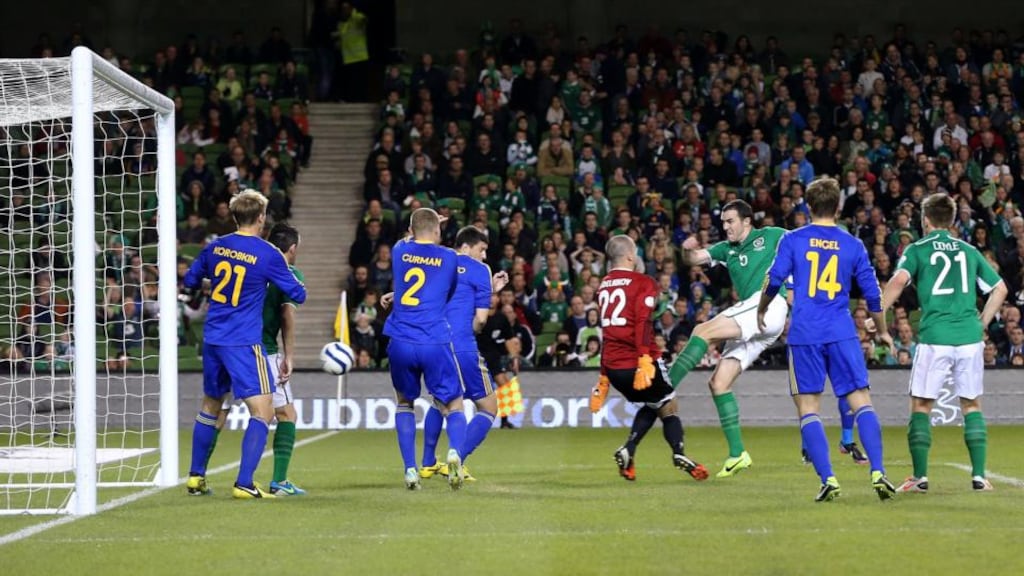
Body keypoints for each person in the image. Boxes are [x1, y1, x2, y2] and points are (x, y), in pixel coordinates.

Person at [757, 177, 896, 502]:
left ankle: (829, 479)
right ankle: (878, 471)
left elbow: (774, 278)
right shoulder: (853, 245)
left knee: (808, 407)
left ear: (807, 207)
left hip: (805, 333)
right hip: (841, 332)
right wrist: (883, 329)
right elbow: (873, 295)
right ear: (838, 207)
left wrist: (762, 308)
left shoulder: (792, 239)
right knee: (861, 400)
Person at [880, 193, 1008, 493]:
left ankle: (919, 477)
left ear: (925, 220)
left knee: (922, 405)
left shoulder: (917, 249)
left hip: (935, 337)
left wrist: (879, 312)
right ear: (951, 221)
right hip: (969, 338)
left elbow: (898, 282)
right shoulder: (969, 250)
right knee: (972, 403)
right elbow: (1000, 289)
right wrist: (983, 322)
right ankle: (979, 476)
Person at [184, 190, 307, 499]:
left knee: (211, 406)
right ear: (262, 218)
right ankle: (245, 483)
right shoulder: (267, 253)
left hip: (213, 339)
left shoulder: (216, 247)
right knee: (263, 412)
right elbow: (298, 293)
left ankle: (196, 477)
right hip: (243, 342)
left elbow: (189, 280)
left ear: (234, 216)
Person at [657, 200, 789, 478]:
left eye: (730, 221)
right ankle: (737, 454)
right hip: (756, 319)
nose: (725, 226)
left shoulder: (772, 235)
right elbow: (693, 259)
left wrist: (794, 287)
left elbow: (804, 249)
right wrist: (686, 248)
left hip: (768, 304)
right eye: (723, 222)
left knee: (701, 331)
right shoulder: (724, 249)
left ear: (747, 221)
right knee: (718, 383)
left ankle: (662, 390)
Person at [593, 235, 708, 483]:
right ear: (630, 256)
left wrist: (603, 377)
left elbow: (606, 330)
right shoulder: (643, 282)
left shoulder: (603, 286)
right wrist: (645, 358)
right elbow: (642, 322)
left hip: (614, 368)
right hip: (638, 363)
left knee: (653, 403)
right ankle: (678, 452)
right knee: (668, 405)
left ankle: (629, 450)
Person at [415, 227, 509, 481]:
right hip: (462, 345)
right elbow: (479, 319)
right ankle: (456, 459)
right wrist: (477, 321)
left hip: (433, 345)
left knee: (440, 400)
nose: (484, 255)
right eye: (482, 249)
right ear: (466, 246)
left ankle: (427, 463)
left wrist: (490, 290)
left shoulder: (436, 262)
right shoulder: (479, 269)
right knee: (489, 407)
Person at [384, 208, 468, 491]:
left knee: (404, 403)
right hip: (433, 339)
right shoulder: (449, 258)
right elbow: (446, 291)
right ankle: (455, 450)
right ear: (437, 230)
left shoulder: (399, 250)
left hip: (400, 340)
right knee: (453, 404)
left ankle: (410, 470)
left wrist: (423, 225)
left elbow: (411, 238)